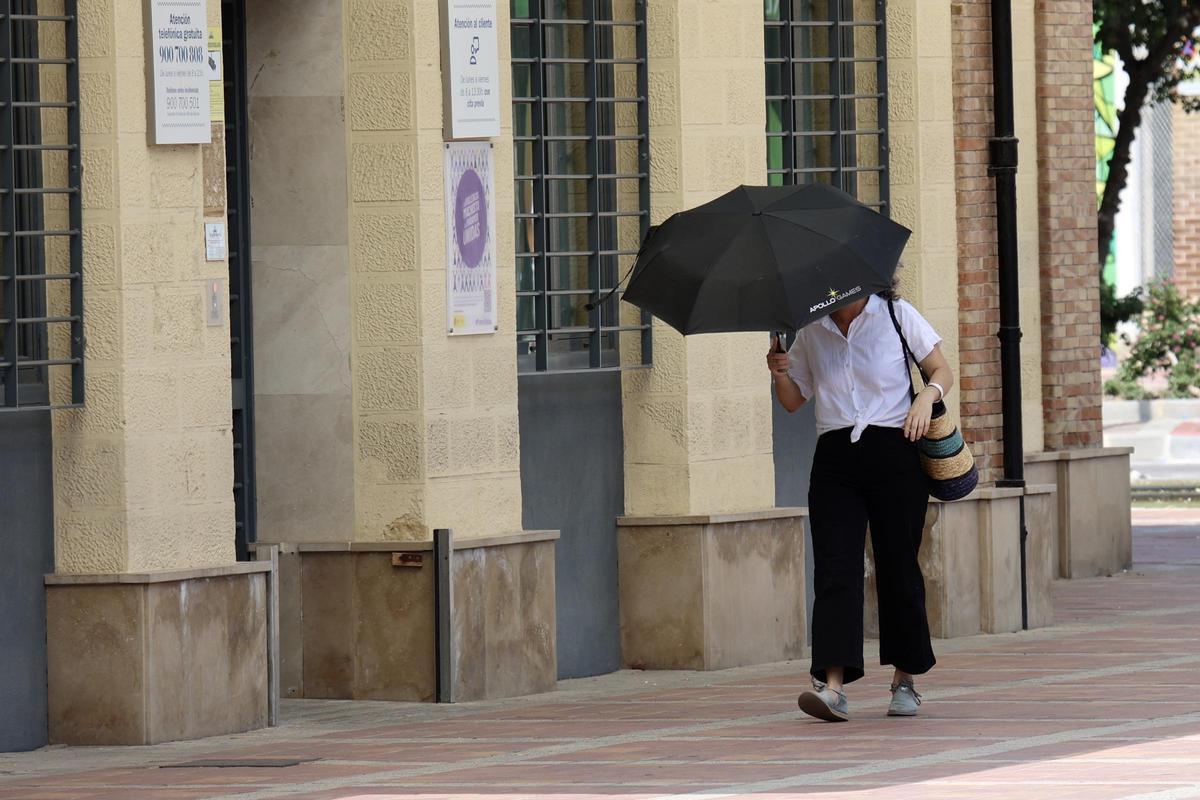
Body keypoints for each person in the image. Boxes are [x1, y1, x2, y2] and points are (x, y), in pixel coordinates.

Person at [766, 286, 954, 722]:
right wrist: (778, 371)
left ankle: (905, 681)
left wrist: (927, 396)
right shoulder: (812, 331)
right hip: (835, 457)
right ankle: (832, 688)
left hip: (897, 447)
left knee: (898, 566)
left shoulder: (897, 315)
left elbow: (941, 369)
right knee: (835, 568)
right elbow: (795, 401)